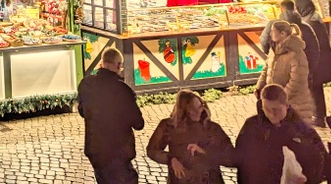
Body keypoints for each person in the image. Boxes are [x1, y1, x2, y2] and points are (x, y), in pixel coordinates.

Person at [78, 47, 145, 183]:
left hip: (95, 150)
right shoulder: (123, 91)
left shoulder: (86, 84)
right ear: (119, 65)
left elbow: (82, 111)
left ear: (102, 63)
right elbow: (138, 124)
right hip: (118, 152)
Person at [235, 84, 325, 184]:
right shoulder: (251, 127)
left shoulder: (300, 130)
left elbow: (319, 162)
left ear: (286, 106)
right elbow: (242, 160)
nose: (272, 115)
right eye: (267, 109)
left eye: (276, 110)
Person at [146, 90, 233, 183]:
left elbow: (230, 156)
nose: (197, 112)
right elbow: (152, 150)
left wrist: (204, 151)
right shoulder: (168, 126)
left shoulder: (212, 128)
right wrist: (171, 159)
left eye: (199, 107)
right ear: (183, 111)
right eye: (192, 109)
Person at [258, 20, 316, 123]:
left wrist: (281, 97)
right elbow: (267, 68)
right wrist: (260, 87)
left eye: (273, 31)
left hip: (295, 104)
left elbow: (297, 80)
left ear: (282, 34)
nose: (270, 34)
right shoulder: (274, 49)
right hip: (277, 103)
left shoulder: (295, 53)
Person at [296, 0, 331, 126]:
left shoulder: (310, 23)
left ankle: (318, 117)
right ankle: (318, 116)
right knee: (316, 89)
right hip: (320, 61)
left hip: (316, 63)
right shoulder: (314, 17)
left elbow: (310, 45)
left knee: (314, 89)